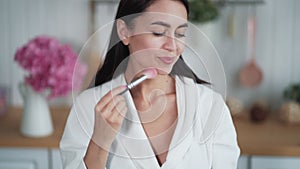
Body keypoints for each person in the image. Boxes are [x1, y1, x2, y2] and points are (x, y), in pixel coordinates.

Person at [60, 0, 240, 169]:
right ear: (124, 32)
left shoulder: (210, 107)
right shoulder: (89, 106)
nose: (172, 45)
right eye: (158, 32)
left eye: (180, 34)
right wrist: (100, 142)